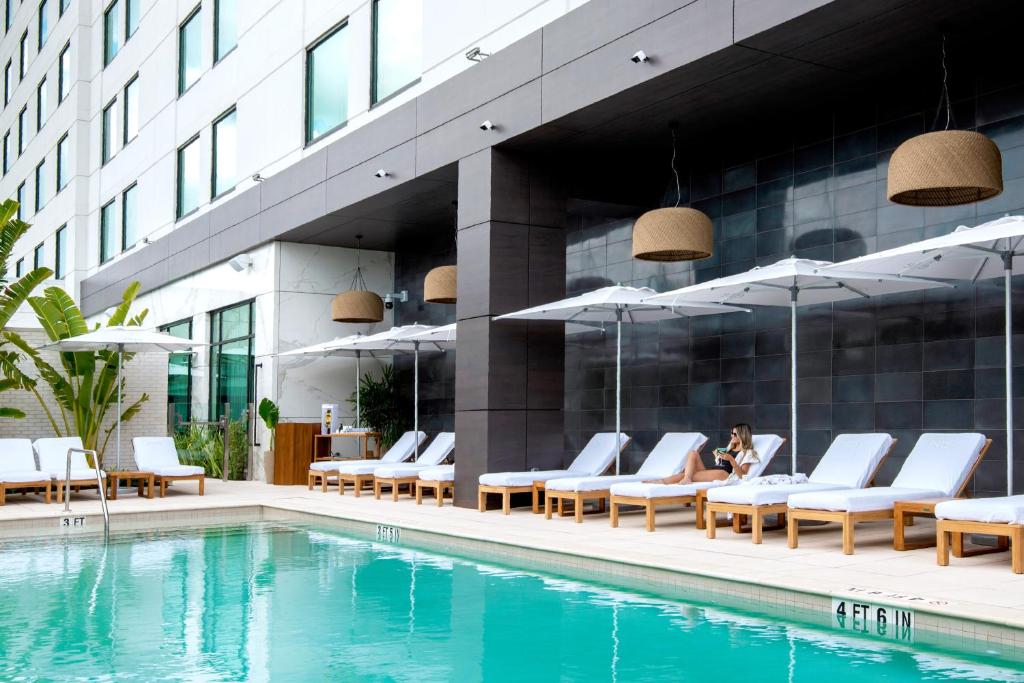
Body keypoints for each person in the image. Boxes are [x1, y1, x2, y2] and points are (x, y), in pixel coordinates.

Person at [647, 423, 759, 485]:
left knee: (689, 474)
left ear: (743, 435)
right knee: (693, 453)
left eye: (735, 434)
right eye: (731, 433)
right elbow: (719, 463)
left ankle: (663, 481)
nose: (732, 436)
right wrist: (717, 456)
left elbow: (743, 475)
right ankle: (685, 478)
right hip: (714, 470)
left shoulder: (748, 453)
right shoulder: (729, 448)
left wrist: (731, 460)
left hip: (724, 474)